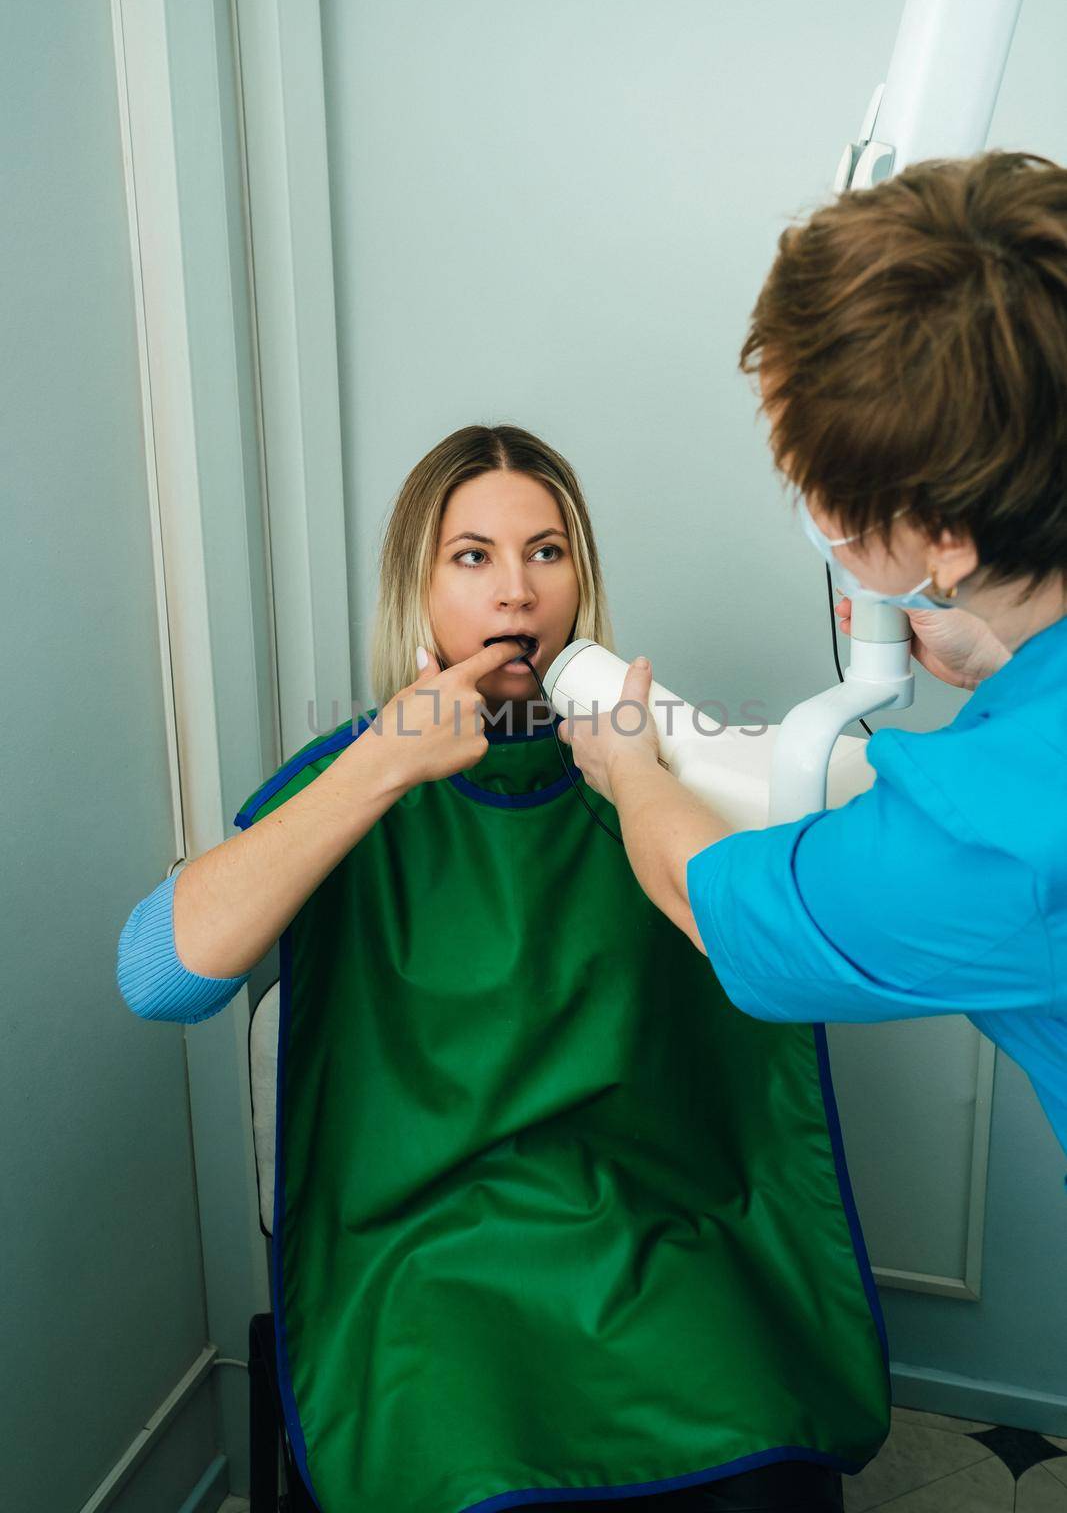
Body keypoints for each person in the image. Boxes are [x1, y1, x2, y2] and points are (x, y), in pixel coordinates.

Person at [118, 425, 890, 1513]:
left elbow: (820, 913)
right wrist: (379, 764)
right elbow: (157, 977)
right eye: (471, 556)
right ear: (417, 589)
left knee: (758, 1454)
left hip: (651, 1221)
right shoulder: (351, 782)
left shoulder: (662, 768)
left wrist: (645, 770)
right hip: (425, 1248)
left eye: (546, 551)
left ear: (582, 577)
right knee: (474, 1476)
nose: (516, 592)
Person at [562, 151, 1067, 1167]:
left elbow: (714, 903)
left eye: (817, 490)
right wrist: (1013, 650)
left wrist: (626, 769)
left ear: (943, 537)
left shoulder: (995, 840)